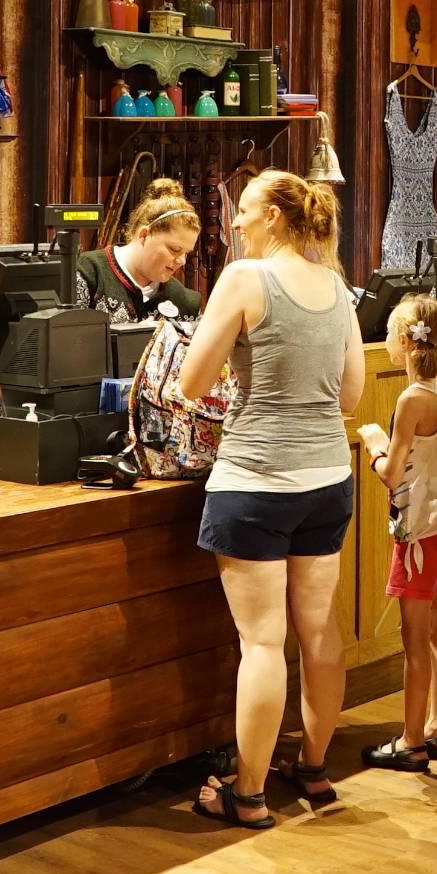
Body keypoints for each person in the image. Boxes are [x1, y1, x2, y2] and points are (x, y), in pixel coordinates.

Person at [177, 170, 366, 829]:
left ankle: (249, 793)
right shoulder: (337, 288)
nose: (234, 222)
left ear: (275, 218)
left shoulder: (243, 279)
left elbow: (191, 382)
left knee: (262, 643)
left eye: (245, 211)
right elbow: (349, 396)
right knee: (319, 633)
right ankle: (312, 769)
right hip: (327, 479)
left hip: (256, 481)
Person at [358, 294, 437, 771]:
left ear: (403, 341)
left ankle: (412, 740)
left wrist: (374, 444)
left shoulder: (410, 399)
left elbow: (392, 474)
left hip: (417, 529)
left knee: (414, 637)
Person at [79, 177, 204, 322]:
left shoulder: (187, 304)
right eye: (175, 249)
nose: (182, 261)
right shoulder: (87, 273)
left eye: (186, 253)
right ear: (144, 235)